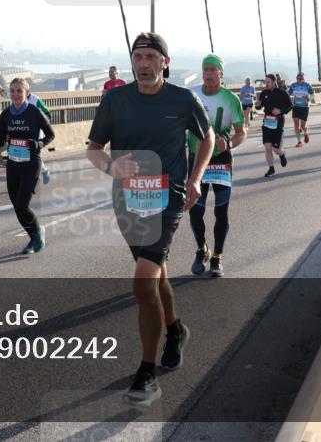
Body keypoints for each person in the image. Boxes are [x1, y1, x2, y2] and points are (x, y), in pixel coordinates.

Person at [87, 32, 213, 407]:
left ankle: (146, 373)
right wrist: (111, 166)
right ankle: (175, 331)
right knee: (155, 277)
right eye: (137, 57)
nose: (143, 63)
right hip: (128, 200)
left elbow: (206, 139)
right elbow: (93, 150)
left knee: (143, 283)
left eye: (150, 57)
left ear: (164, 63)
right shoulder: (115, 100)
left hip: (168, 199)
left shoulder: (182, 99)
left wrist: (195, 179)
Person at [187, 55, 246, 278]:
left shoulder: (231, 99)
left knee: (221, 212)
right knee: (195, 212)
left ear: (221, 74)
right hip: (195, 159)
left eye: (213, 69)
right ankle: (202, 249)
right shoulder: (191, 95)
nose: (208, 73)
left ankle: (217, 257)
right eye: (205, 69)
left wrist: (229, 143)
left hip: (221, 160)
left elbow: (242, 133)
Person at [0, 78, 55, 254]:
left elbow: (50, 135)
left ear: (27, 93)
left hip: (31, 164)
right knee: (17, 207)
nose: (15, 94)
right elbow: (0, 143)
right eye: (12, 91)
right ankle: (34, 236)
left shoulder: (34, 112)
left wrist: (39, 144)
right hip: (13, 164)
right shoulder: (5, 114)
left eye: (19, 91)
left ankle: (37, 232)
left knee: (22, 206)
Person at [256, 74, 292, 178]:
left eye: (268, 82)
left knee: (276, 150)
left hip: (278, 123)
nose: (266, 84)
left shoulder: (282, 93)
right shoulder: (264, 93)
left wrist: (280, 111)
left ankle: (282, 154)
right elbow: (259, 106)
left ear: (274, 81)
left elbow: (290, 106)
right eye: (265, 82)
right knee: (268, 148)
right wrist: (257, 105)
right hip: (267, 123)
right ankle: (271, 168)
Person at [24, 87, 53, 185]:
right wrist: (1, 93)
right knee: (26, 153)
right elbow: (9, 96)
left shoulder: (35, 99)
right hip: (24, 130)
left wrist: (40, 124)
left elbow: (48, 113)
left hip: (36, 131)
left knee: (35, 153)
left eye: (21, 90)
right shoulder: (19, 99)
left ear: (27, 91)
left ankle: (43, 172)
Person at [289, 72, 315, 147]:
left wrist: (308, 99)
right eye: (298, 79)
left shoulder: (307, 85)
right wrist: (291, 99)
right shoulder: (293, 85)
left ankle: (306, 133)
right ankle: (299, 141)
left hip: (304, 107)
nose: (299, 80)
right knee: (296, 125)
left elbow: (313, 94)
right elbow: (289, 94)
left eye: (301, 79)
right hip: (296, 107)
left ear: (303, 79)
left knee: (303, 126)